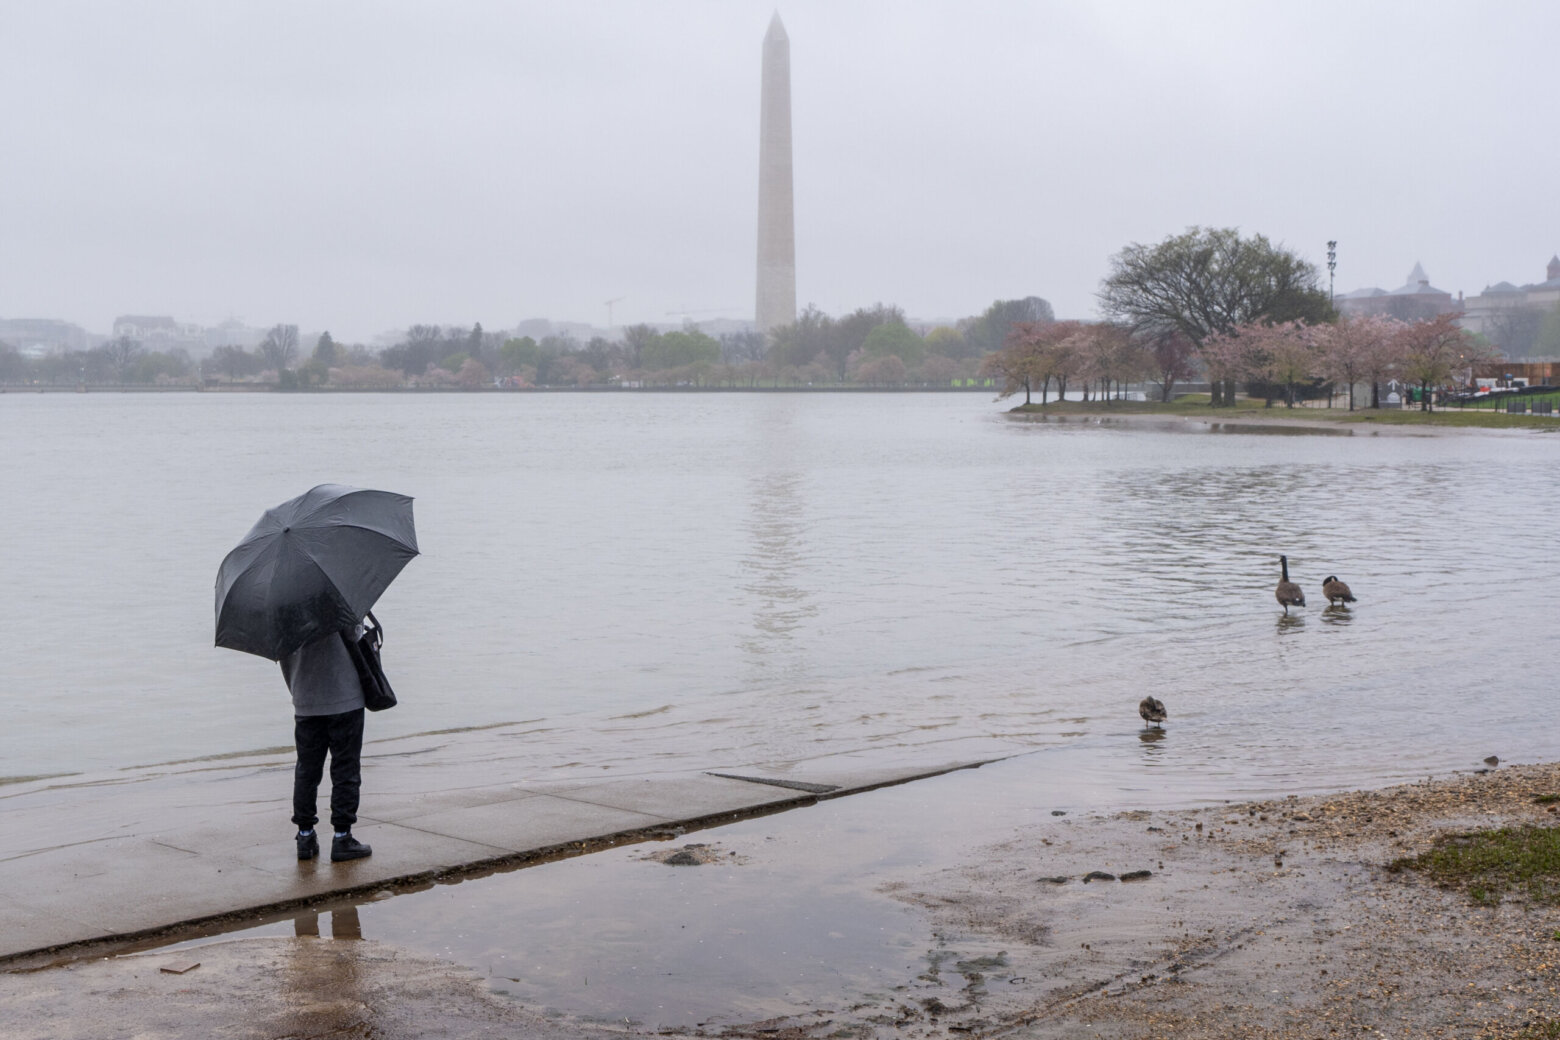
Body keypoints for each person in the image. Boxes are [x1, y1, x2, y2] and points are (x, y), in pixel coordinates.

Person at [281, 621, 373, 862]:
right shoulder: (339, 596)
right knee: (345, 769)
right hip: (345, 697)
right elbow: (354, 635)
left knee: (306, 771)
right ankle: (342, 837)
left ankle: (305, 836)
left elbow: (283, 658)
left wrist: (298, 690)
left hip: (305, 699)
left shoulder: (283, 607)